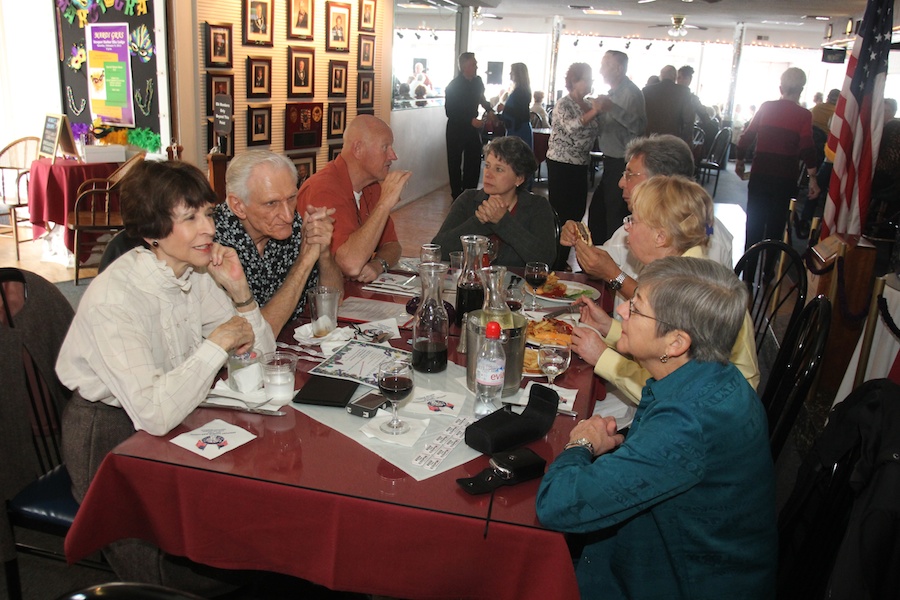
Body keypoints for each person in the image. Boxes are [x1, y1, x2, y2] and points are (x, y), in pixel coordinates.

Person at [57, 160, 276, 591]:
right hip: (108, 432)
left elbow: (261, 355)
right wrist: (215, 345)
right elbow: (154, 414)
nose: (209, 230)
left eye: (209, 214)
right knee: (171, 575)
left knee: (230, 517)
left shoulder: (193, 272)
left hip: (174, 405)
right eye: (190, 218)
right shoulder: (115, 297)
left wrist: (240, 292)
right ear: (153, 230)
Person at [537, 256, 777, 600]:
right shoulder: (711, 378)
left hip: (680, 579)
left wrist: (582, 445)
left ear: (676, 343)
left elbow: (556, 505)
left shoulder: (688, 422)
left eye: (635, 309)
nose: (622, 313)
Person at [569, 175, 758, 404]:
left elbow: (668, 393)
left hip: (719, 419)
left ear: (660, 236)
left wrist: (602, 357)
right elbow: (660, 348)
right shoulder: (685, 272)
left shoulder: (687, 294)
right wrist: (608, 328)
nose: (627, 229)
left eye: (633, 221)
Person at [560, 135, 734, 304]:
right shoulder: (634, 226)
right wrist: (579, 241)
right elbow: (599, 266)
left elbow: (673, 312)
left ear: (660, 182)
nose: (621, 183)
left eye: (630, 175)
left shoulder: (705, 237)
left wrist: (614, 275)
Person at [215, 150, 342, 333]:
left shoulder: (290, 225)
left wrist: (323, 252)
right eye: (271, 203)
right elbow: (256, 337)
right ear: (238, 206)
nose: (288, 216)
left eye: (291, 198)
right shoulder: (213, 245)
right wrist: (304, 262)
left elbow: (333, 302)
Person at [297, 115, 412, 282]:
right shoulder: (323, 189)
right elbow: (351, 264)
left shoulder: (371, 187)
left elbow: (392, 245)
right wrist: (384, 204)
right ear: (358, 149)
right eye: (385, 147)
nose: (393, 156)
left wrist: (378, 264)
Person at [431, 136, 556, 268]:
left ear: (519, 178)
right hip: (471, 284)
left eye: (499, 169)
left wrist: (503, 222)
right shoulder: (468, 199)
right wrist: (479, 222)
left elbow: (545, 259)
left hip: (518, 286)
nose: (488, 174)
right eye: (487, 166)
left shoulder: (537, 207)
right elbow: (437, 251)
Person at [735, 67, 818, 253]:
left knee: (754, 224)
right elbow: (807, 146)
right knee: (776, 226)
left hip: (760, 174)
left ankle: (748, 272)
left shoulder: (766, 107)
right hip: (785, 178)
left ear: (781, 88)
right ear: (801, 90)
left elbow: (746, 137)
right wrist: (813, 177)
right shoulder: (804, 115)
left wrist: (740, 160)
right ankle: (768, 273)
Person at [545, 62, 604, 270]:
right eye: (586, 79)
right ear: (574, 81)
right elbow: (571, 126)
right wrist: (594, 112)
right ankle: (556, 261)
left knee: (578, 212)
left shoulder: (589, 104)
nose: (590, 83)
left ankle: (564, 258)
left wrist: (600, 110)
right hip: (561, 164)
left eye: (591, 80)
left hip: (580, 164)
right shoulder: (564, 104)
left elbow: (599, 130)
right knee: (561, 213)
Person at [587, 50, 647, 245]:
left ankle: (611, 264)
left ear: (619, 69)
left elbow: (638, 126)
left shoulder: (630, 93)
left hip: (622, 162)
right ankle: (600, 257)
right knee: (598, 212)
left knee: (613, 214)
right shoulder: (614, 93)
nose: (601, 70)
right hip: (610, 161)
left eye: (606, 65)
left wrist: (611, 107)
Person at [445, 52, 495, 200]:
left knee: (473, 161)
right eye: (474, 64)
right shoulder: (453, 86)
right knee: (454, 163)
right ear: (465, 67)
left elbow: (481, 98)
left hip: (472, 128)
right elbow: (450, 112)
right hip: (456, 128)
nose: (476, 66)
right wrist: (469, 120)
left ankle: (470, 193)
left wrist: (489, 109)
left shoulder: (478, 82)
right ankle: (457, 196)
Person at [642, 65, 694, 145]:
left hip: (649, 140)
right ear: (674, 76)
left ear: (661, 76)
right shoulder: (683, 92)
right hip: (673, 141)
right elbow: (689, 120)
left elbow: (640, 116)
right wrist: (686, 142)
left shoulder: (646, 91)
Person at [496, 62, 534, 149]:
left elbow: (520, 113)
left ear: (517, 74)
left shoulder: (521, 91)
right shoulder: (519, 90)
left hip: (519, 130)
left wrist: (504, 108)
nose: (510, 74)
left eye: (512, 72)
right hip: (515, 129)